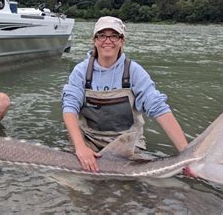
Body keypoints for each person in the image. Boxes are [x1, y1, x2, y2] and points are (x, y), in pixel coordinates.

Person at [61, 16, 195, 176]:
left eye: (114, 35)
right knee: (74, 183)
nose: (107, 40)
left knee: (135, 189)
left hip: (126, 143)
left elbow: (159, 108)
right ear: (95, 40)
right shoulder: (81, 71)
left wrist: (187, 154)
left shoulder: (134, 71)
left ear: (122, 41)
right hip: (90, 140)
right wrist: (81, 148)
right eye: (102, 35)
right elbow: (70, 107)